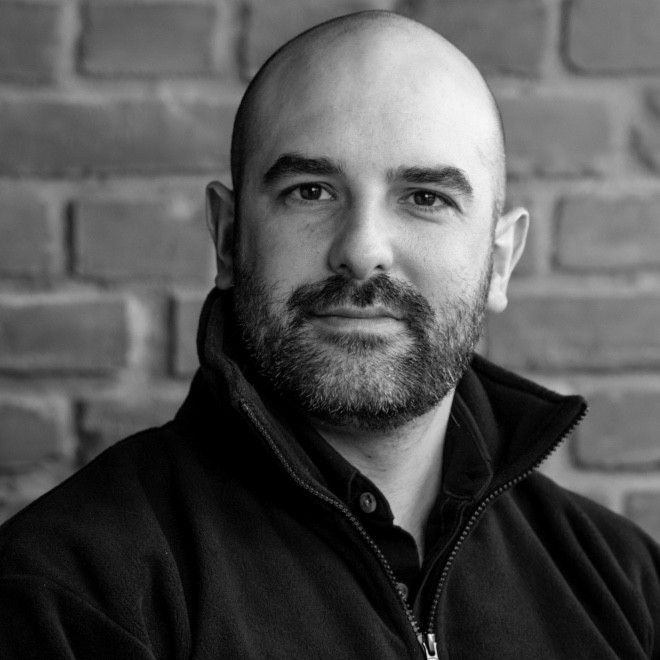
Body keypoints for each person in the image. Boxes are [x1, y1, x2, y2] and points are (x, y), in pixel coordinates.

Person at [0, 10, 658, 659]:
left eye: (425, 197)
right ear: (228, 238)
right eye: (310, 191)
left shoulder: (629, 584)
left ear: (501, 260)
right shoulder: (68, 593)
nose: (362, 251)